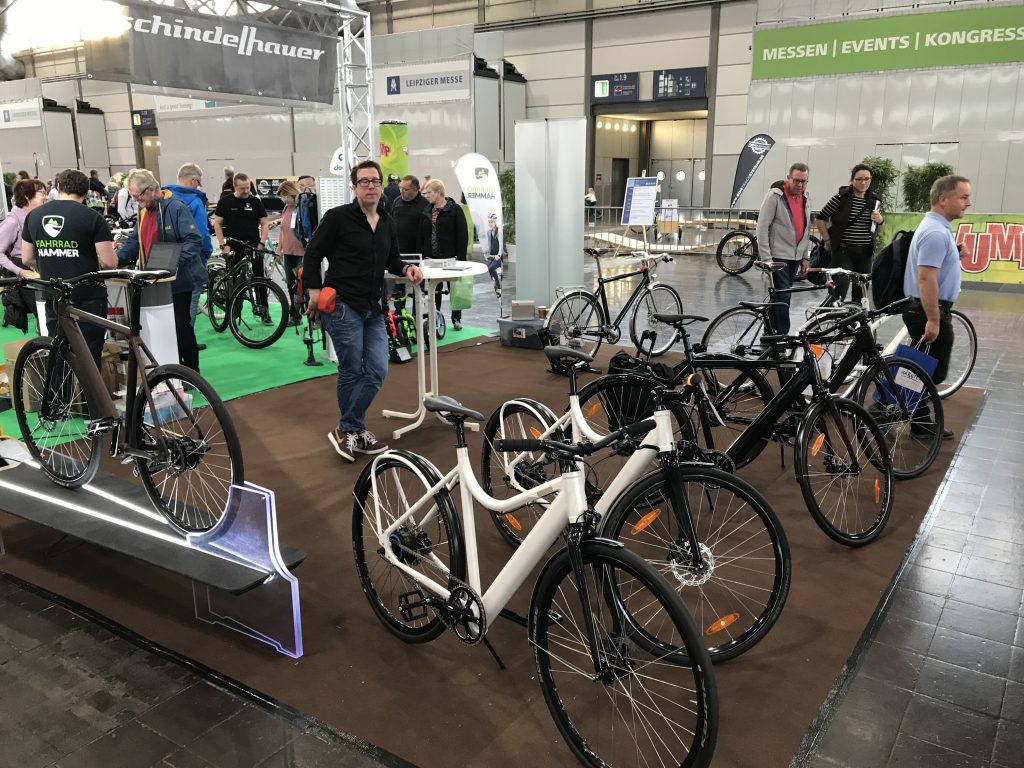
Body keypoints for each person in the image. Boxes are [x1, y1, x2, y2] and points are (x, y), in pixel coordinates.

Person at [303, 159, 423, 463]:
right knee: (352, 369)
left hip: (373, 307)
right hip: (343, 306)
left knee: (378, 370)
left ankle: (348, 428)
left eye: (375, 181)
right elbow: (313, 253)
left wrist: (406, 268)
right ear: (354, 187)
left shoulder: (387, 221)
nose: (371, 186)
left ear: (382, 186)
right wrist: (314, 290)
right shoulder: (337, 218)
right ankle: (352, 430)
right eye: (364, 181)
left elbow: (391, 259)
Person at [21, 169, 117, 368]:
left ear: (58, 187)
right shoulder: (92, 217)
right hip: (87, 295)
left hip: (53, 293)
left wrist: (53, 260)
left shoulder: (34, 216)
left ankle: (59, 389)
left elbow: (27, 257)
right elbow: (110, 263)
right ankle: (89, 390)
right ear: (87, 191)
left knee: (58, 353)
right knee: (89, 356)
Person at [902, 175, 972, 440]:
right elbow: (926, 278)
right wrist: (933, 319)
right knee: (933, 370)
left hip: (925, 308)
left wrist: (955, 252)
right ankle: (885, 406)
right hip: (928, 309)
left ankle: (919, 423)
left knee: (919, 366)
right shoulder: (935, 232)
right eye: (963, 197)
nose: (968, 202)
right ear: (943, 199)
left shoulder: (938, 228)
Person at [117, 168, 205, 374]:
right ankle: (169, 368)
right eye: (133, 197)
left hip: (179, 280)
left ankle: (191, 370)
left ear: (152, 189)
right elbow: (134, 242)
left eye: (138, 196)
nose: (136, 201)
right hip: (152, 281)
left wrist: (172, 263)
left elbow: (194, 240)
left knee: (181, 325)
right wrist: (115, 259)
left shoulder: (176, 208)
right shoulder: (143, 212)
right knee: (161, 327)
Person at [756, 162, 812, 335]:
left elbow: (806, 228)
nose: (800, 185)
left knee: (779, 296)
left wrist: (805, 256)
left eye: (803, 181)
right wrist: (766, 258)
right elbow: (762, 227)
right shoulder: (775, 196)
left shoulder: (806, 197)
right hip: (777, 256)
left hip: (795, 256)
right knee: (783, 296)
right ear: (788, 178)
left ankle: (770, 333)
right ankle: (782, 334)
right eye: (796, 180)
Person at [815, 164, 884, 304]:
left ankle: (855, 318)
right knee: (839, 292)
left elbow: (877, 228)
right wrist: (827, 240)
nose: (863, 182)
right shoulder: (840, 198)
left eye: (867, 179)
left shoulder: (874, 201)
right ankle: (831, 316)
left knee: (861, 295)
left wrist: (880, 221)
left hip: (865, 253)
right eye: (859, 179)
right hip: (843, 251)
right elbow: (820, 218)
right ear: (852, 180)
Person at [164, 162, 213, 328]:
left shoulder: (164, 199)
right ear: (193, 181)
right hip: (192, 258)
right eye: (198, 182)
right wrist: (207, 252)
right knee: (191, 300)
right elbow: (202, 234)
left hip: (167, 258)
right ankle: (187, 338)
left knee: (172, 303)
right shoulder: (195, 202)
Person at [213, 172, 270, 313]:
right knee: (233, 281)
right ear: (235, 187)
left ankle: (264, 310)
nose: (246, 191)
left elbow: (265, 223)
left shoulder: (255, 202)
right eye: (242, 188)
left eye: (248, 188)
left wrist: (262, 243)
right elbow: (217, 224)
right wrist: (223, 245)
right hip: (233, 247)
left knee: (260, 279)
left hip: (253, 246)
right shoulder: (225, 202)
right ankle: (233, 311)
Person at [420, 178, 469, 332]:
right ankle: (435, 317)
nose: (427, 195)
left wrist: (461, 259)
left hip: (451, 258)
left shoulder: (455, 210)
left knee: (455, 289)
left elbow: (462, 235)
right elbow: (421, 235)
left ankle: (456, 318)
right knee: (434, 290)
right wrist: (422, 255)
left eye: (429, 192)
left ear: (438, 192)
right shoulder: (426, 211)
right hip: (431, 258)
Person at [0, 178, 47, 277]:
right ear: (27, 195)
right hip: (22, 275)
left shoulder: (39, 217)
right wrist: (20, 271)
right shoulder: (12, 220)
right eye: (42, 193)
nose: (46, 197)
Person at [274, 179, 305, 326]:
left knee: (302, 287)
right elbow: (283, 230)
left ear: (291, 193)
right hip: (288, 253)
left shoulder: (302, 208)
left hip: (302, 253)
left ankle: (312, 316)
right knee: (291, 285)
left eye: (284, 197)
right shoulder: (287, 207)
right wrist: (279, 249)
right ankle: (295, 316)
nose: (284, 200)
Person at [390, 174, 425, 254]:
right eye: (400, 188)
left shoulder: (425, 204)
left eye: (405, 189)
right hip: (397, 249)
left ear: (415, 189)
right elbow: (391, 222)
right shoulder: (397, 201)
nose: (401, 191)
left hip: (416, 251)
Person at [293, 175, 319, 246]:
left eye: (310, 185)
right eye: (302, 186)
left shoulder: (319, 202)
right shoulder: (297, 202)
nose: (306, 189)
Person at [486, 212, 502, 297]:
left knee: (491, 268)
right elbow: (489, 245)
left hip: (498, 257)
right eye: (489, 222)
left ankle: (498, 285)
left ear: (495, 222)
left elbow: (501, 244)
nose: (490, 223)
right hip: (491, 256)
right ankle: (496, 286)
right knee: (489, 269)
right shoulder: (489, 232)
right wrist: (488, 254)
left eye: (491, 222)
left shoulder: (499, 231)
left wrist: (498, 255)